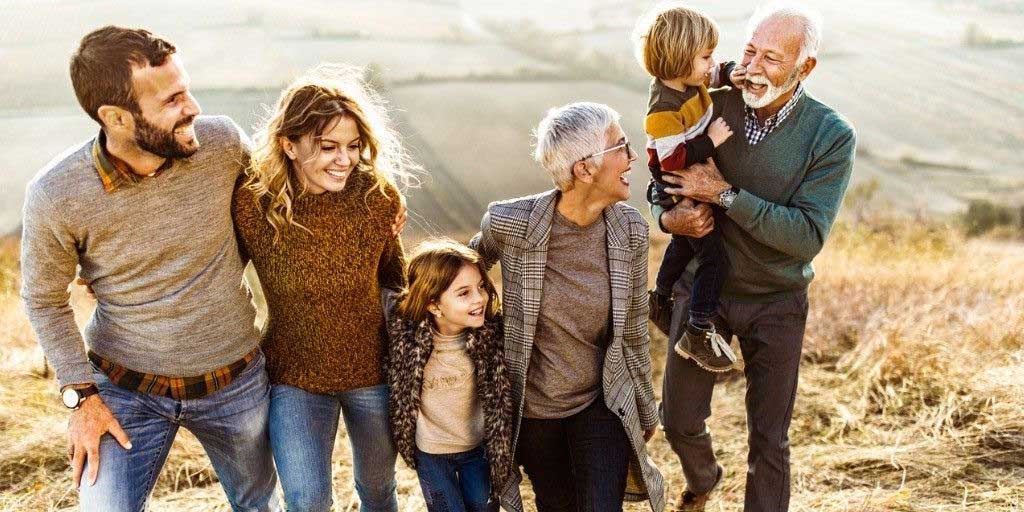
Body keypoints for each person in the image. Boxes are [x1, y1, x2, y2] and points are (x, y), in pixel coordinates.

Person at [20, 26, 279, 511]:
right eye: (173, 99)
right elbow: (42, 299)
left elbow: (278, 216)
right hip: (123, 391)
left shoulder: (222, 144)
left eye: (186, 89)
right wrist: (82, 398)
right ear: (116, 117)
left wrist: (374, 204)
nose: (193, 107)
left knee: (258, 505)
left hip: (237, 382)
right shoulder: (57, 194)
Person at [652, 4, 857, 511]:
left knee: (770, 440)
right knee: (677, 419)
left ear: (804, 68)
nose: (755, 67)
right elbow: (662, 174)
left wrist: (725, 195)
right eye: (749, 51)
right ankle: (703, 479)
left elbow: (807, 235)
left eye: (772, 57)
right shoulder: (709, 103)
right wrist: (668, 219)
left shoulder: (830, 135)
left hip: (777, 300)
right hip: (705, 291)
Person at [232, 64, 417, 512]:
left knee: (377, 490)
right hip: (294, 376)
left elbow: (396, 278)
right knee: (307, 500)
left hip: (372, 373)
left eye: (353, 146)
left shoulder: (377, 198)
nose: (345, 159)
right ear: (288, 145)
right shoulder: (254, 206)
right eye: (328, 147)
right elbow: (215, 267)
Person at [470, 102, 664, 512]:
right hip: (535, 410)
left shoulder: (629, 230)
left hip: (601, 401)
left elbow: (632, 331)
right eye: (620, 146)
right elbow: (460, 270)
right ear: (585, 168)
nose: (631, 158)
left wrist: (645, 408)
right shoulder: (512, 223)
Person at [633, 3, 746, 372]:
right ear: (681, 59)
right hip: (675, 183)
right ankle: (698, 330)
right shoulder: (662, 109)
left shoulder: (689, 80)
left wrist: (731, 72)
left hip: (686, 175)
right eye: (706, 56)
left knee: (683, 245)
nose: (710, 65)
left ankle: (660, 299)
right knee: (714, 258)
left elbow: (711, 75)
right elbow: (672, 161)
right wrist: (711, 140)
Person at [385, 239, 516, 512]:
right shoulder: (406, 339)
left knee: (483, 507)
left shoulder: (491, 337)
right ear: (434, 305)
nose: (479, 299)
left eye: (480, 287)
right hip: (431, 454)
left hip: (478, 451)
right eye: (464, 293)